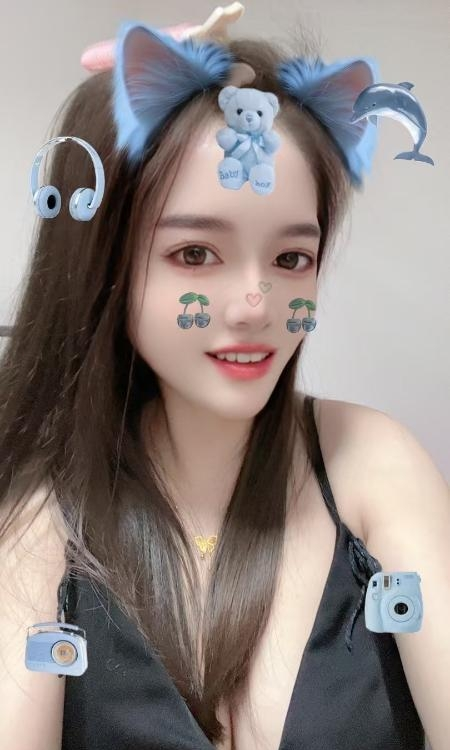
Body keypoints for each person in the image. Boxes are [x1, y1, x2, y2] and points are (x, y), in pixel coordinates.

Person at [0, 6, 448, 750]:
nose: (254, 305)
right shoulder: (42, 524)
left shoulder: (370, 462)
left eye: (291, 259)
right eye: (195, 254)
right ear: (103, 260)